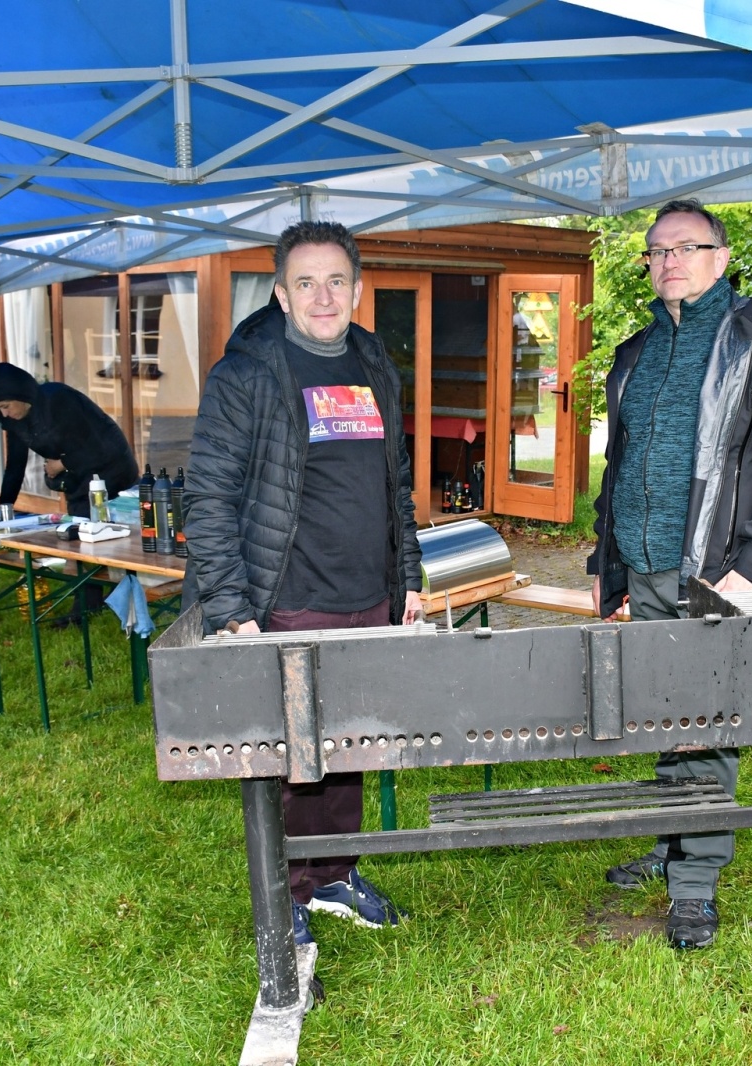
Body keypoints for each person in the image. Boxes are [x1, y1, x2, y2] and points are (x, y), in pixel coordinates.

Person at [588, 199, 752, 951]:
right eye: (657, 251)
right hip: (645, 568)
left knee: (708, 723)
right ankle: (672, 841)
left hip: (716, 575)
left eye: (686, 247)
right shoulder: (636, 351)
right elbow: (620, 465)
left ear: (721, 258)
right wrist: (607, 564)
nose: (669, 261)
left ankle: (694, 885)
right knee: (663, 713)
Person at [184, 220, 423, 950]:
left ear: (358, 289)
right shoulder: (247, 375)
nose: (324, 296)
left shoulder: (375, 363)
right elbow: (209, 498)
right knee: (291, 759)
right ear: (282, 294)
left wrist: (408, 580)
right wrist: (233, 609)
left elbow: (396, 484)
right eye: (306, 283)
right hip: (285, 599)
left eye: (336, 281)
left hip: (368, 597)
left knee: (349, 747)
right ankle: (285, 891)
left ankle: (333, 874)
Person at [0, 362, 138, 518]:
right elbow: (15, 466)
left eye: (6, 406)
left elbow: (98, 447)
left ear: (20, 395)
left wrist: (61, 464)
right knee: (79, 528)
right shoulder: (15, 421)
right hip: (77, 484)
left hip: (115, 474)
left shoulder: (59, 399)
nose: (4, 414)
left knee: (111, 529)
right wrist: (4, 508)